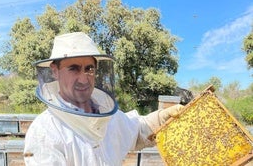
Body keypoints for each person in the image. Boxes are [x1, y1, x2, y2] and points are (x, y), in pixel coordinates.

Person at [23, 32, 183, 166]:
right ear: (55, 71)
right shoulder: (44, 132)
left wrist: (163, 118)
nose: (84, 79)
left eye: (89, 69)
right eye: (73, 69)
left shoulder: (107, 115)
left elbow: (137, 130)